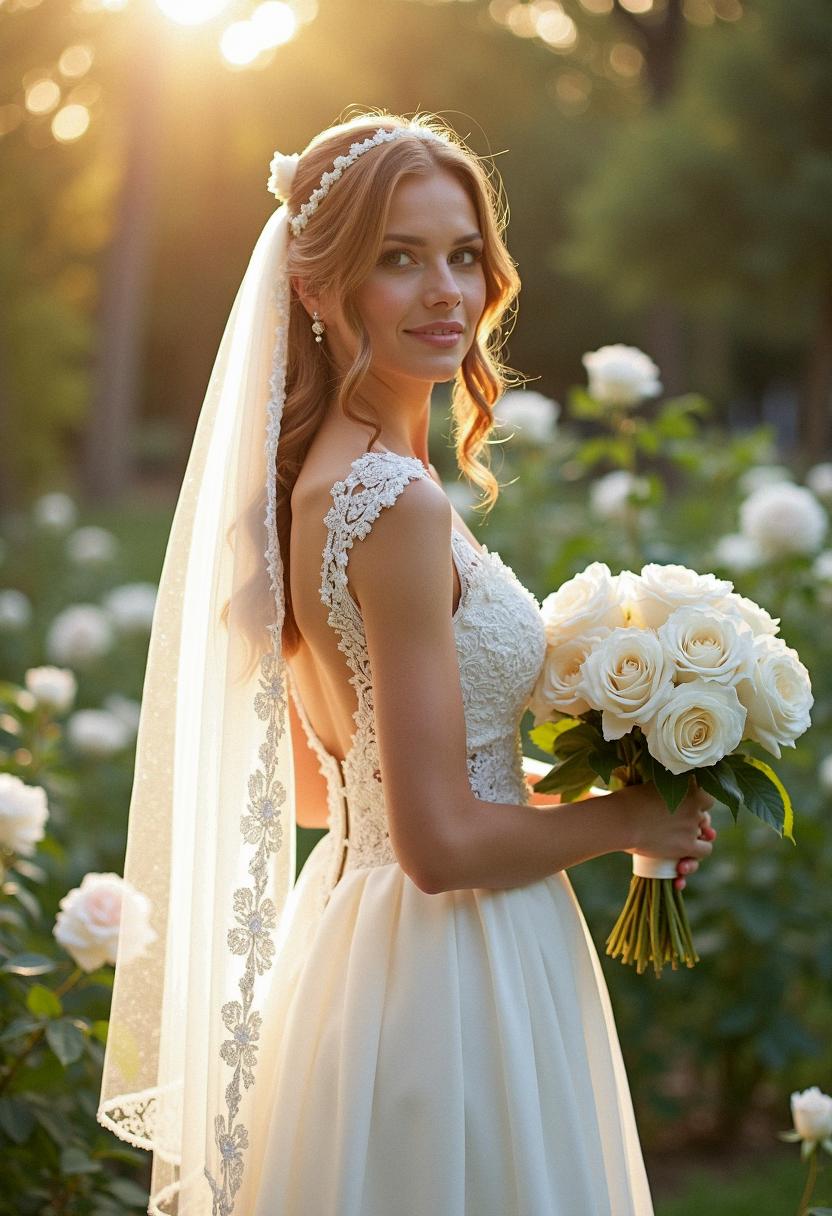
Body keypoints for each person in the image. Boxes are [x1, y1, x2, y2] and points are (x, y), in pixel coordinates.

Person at [96, 110, 716, 1216]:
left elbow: (326, 784)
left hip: (355, 939)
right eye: (398, 257)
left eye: (462, 254)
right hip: (450, 970)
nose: (445, 291)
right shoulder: (396, 502)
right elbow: (435, 847)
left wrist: (579, 785)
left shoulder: (323, 479)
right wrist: (630, 824)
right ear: (317, 289)